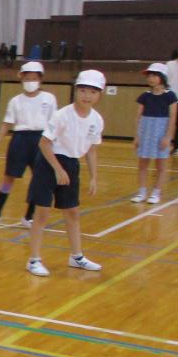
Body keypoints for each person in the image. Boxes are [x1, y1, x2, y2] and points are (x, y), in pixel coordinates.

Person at [25, 70, 106, 278]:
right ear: (76, 91)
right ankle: (33, 260)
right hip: (49, 163)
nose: (87, 95)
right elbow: (44, 143)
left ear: (99, 95)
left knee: (72, 212)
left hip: (71, 165)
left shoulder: (97, 120)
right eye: (83, 90)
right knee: (42, 213)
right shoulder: (62, 115)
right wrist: (57, 169)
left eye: (92, 92)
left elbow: (91, 149)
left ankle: (76, 256)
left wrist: (94, 177)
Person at [0, 61, 57, 227]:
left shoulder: (49, 99)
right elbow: (7, 123)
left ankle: (28, 216)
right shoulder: (15, 101)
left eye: (34, 78)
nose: (30, 81)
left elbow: (54, 123)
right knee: (9, 177)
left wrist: (53, 145)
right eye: (27, 78)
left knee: (38, 179)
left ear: (41, 79)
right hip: (20, 140)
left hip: (40, 140)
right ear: (21, 79)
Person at [131, 63, 177, 204]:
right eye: (149, 75)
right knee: (143, 164)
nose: (150, 78)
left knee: (161, 166)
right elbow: (138, 117)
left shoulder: (170, 96)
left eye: (154, 75)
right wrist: (137, 136)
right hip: (146, 132)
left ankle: (156, 193)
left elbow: (173, 117)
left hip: (161, 133)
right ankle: (142, 192)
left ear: (162, 77)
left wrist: (168, 137)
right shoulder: (145, 96)